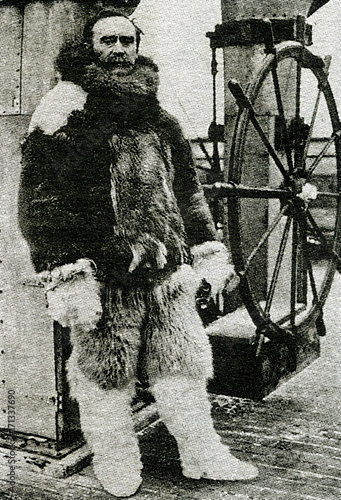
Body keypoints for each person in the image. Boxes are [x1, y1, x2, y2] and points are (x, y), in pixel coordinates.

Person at [18, 10, 258, 498]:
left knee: (184, 366)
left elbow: (188, 193)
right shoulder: (65, 110)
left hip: (167, 274)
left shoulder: (158, 116)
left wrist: (206, 250)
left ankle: (202, 454)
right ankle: (115, 461)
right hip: (105, 274)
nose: (120, 49)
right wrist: (66, 271)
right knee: (105, 375)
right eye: (109, 40)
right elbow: (38, 202)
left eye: (127, 40)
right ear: (90, 47)